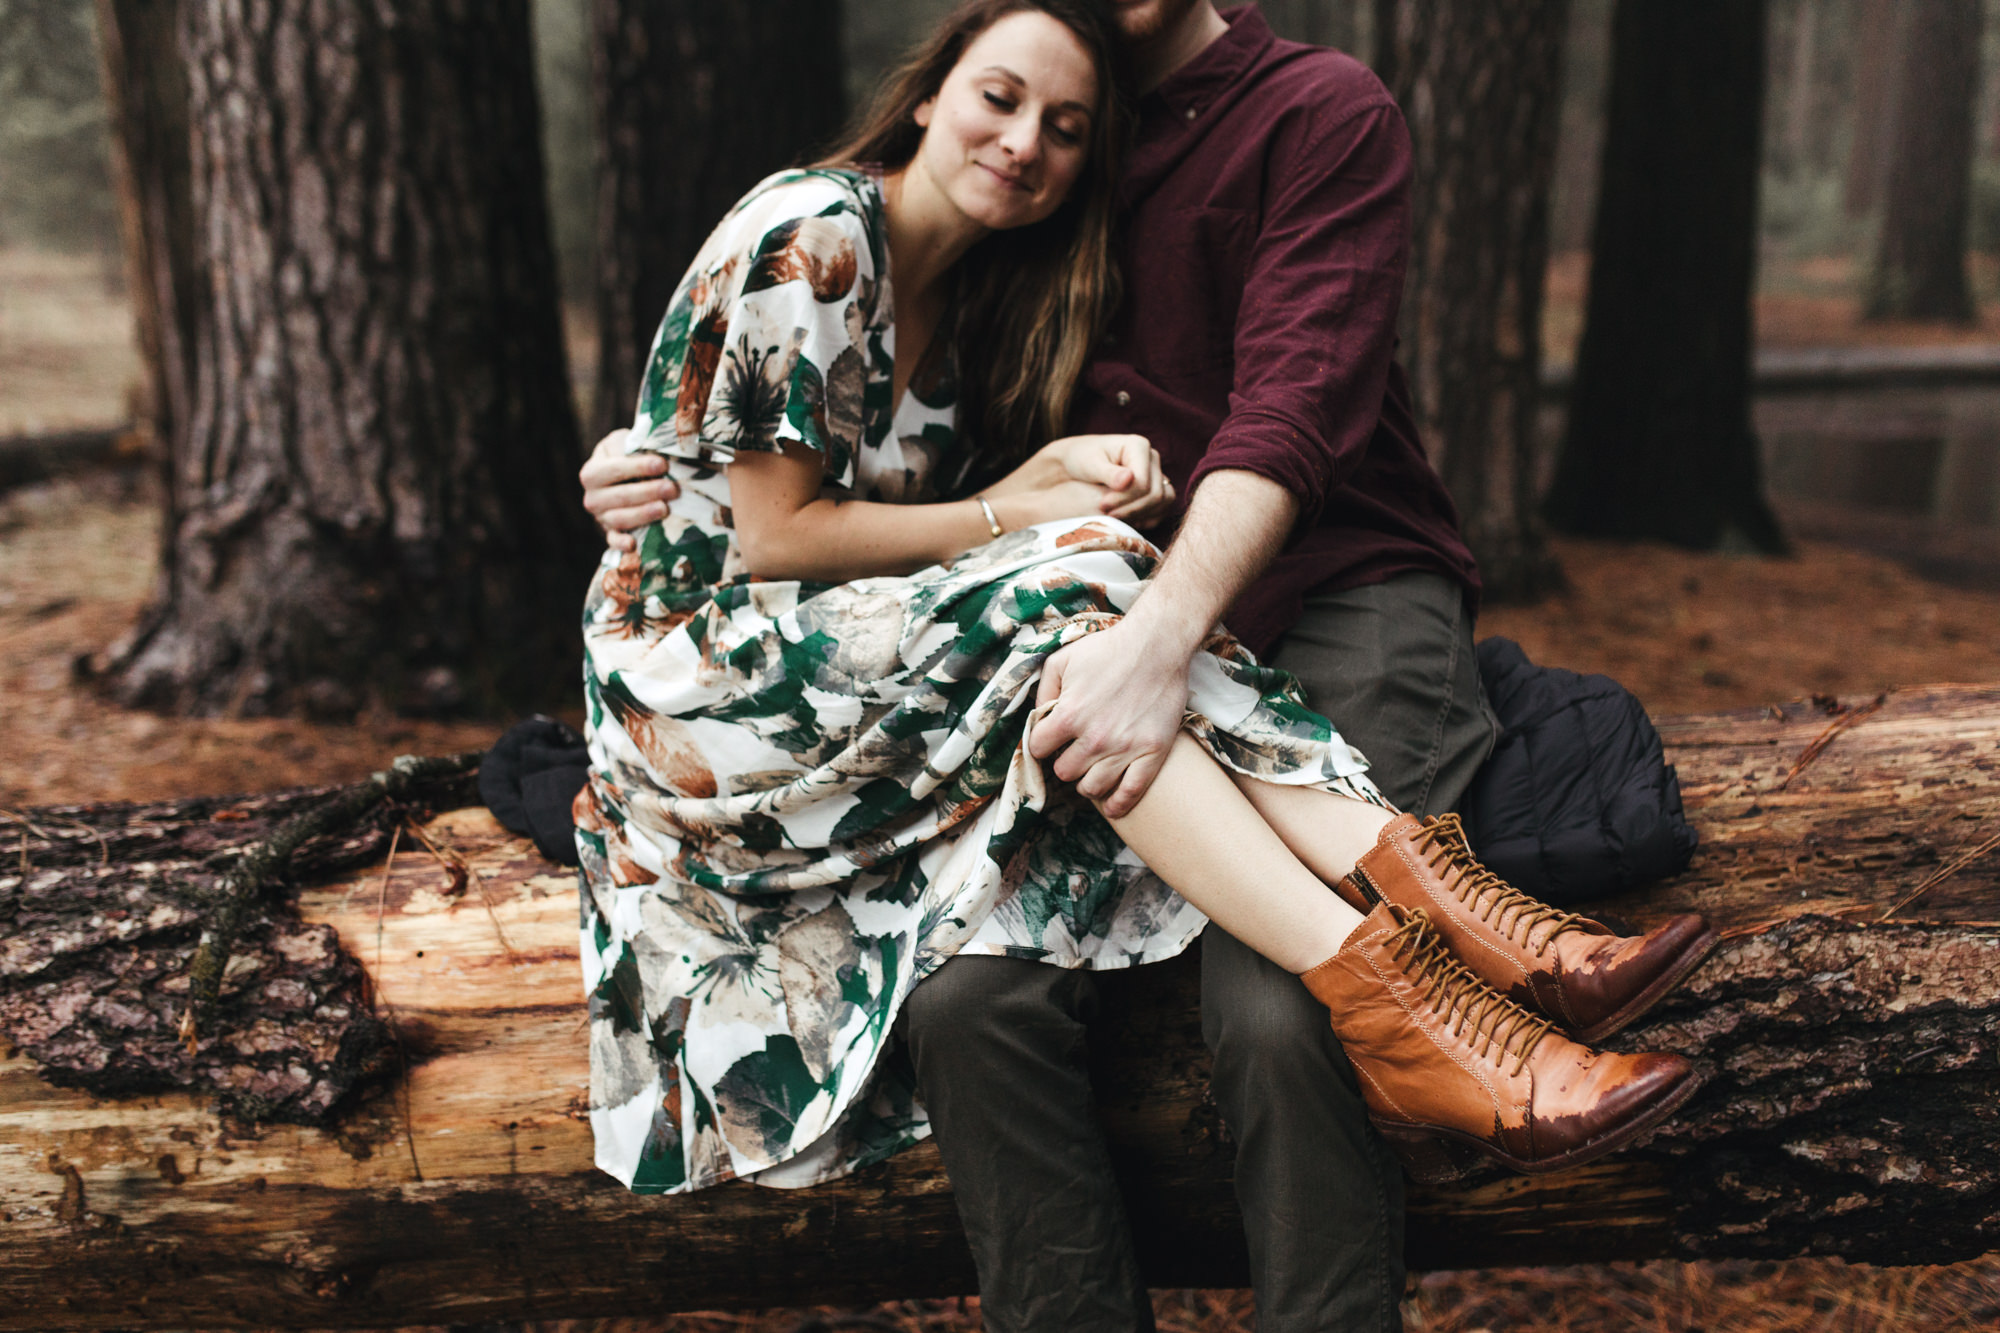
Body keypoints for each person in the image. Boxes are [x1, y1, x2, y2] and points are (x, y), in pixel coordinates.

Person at [577, 3, 1715, 1330]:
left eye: (1056, 126)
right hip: (1047, 631)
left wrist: (1142, 631)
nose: (1026, 139)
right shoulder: (1003, 181)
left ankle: (1441, 1023)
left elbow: (1286, 414)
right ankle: (1451, 948)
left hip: (1317, 589)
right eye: (1003, 103)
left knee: (1271, 1003)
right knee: (965, 994)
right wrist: (654, 460)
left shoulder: (1313, 114)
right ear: (939, 88)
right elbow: (788, 467)